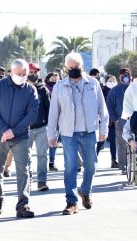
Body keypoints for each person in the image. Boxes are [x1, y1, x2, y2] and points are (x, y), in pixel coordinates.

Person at [48, 52, 109, 215]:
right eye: (71, 67)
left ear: (82, 66)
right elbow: (53, 112)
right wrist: (51, 135)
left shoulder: (93, 83)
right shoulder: (60, 86)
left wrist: (104, 129)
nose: (74, 69)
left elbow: (102, 109)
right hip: (68, 134)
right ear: (66, 68)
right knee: (71, 168)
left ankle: (85, 191)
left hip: (89, 132)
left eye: (77, 67)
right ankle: (71, 202)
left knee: (91, 167)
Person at [0, 59, 39, 218]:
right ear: (11, 71)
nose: (22, 76)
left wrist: (14, 131)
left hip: (21, 136)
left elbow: (32, 114)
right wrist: (4, 130)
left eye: (25, 74)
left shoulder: (31, 90)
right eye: (19, 73)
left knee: (24, 171)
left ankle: (23, 205)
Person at [27, 63, 50, 191]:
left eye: (35, 72)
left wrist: (51, 127)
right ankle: (28, 180)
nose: (33, 74)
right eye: (30, 71)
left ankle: (42, 181)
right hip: (26, 129)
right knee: (26, 156)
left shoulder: (43, 90)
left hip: (42, 128)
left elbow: (50, 110)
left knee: (42, 155)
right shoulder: (21, 89)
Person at [106, 68, 132, 174]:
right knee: (122, 144)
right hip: (120, 121)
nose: (125, 77)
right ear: (119, 77)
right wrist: (115, 119)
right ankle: (124, 166)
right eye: (123, 75)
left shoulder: (135, 88)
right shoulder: (114, 90)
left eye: (127, 75)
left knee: (136, 143)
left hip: (135, 120)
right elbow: (109, 106)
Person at [96, 75, 118, 168]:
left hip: (113, 119)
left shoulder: (117, 91)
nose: (112, 82)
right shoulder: (102, 91)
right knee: (101, 140)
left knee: (113, 140)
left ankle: (114, 160)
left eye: (113, 80)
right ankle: (93, 158)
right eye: (110, 80)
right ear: (106, 81)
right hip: (103, 119)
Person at [44, 72, 60, 171]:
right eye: (52, 79)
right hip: (47, 119)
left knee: (54, 140)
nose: (54, 81)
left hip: (58, 118)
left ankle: (51, 162)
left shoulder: (62, 88)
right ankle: (43, 162)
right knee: (46, 142)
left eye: (56, 79)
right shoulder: (45, 89)